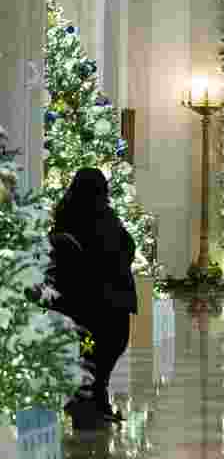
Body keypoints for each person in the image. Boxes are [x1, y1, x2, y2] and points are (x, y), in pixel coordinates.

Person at [51, 167, 137, 423]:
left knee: (91, 354)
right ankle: (90, 402)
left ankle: (91, 401)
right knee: (102, 352)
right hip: (107, 303)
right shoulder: (102, 216)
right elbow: (125, 249)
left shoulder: (67, 214)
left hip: (82, 303)